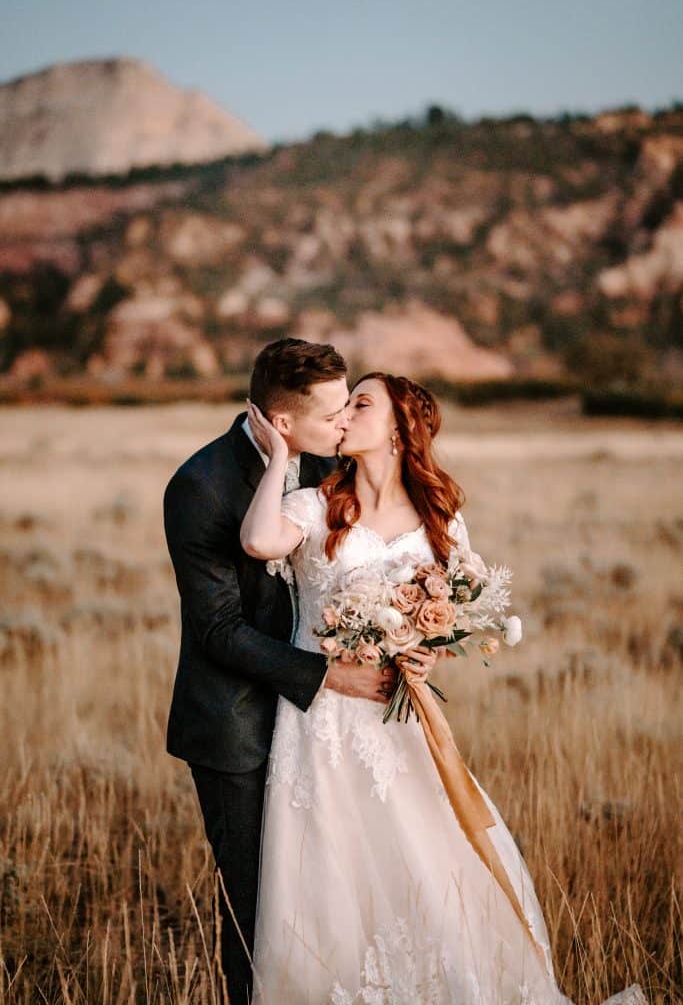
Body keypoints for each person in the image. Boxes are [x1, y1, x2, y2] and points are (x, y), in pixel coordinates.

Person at [240, 372, 641, 1005]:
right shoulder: (315, 505)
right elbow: (259, 540)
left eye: (360, 404)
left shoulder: (441, 520)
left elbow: (452, 613)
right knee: (328, 872)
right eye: (343, 406)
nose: (344, 415)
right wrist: (282, 459)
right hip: (320, 720)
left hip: (397, 717)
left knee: (424, 860)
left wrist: (426, 656)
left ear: (399, 429)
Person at [162, 341, 400, 1005]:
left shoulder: (331, 460)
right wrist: (330, 677)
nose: (345, 422)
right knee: (255, 904)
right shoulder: (200, 486)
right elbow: (216, 630)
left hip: (329, 727)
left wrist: (411, 625)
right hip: (238, 725)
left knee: (335, 886)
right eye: (333, 412)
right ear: (283, 424)